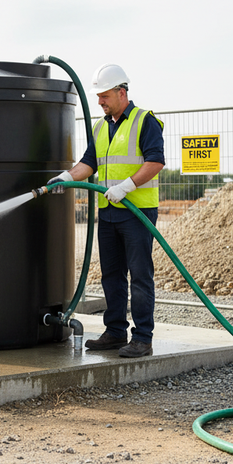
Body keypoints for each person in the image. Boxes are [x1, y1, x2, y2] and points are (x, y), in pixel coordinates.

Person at [47, 64, 165, 357]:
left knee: (139, 276)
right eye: (98, 97)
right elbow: (89, 162)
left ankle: (142, 339)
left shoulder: (144, 121)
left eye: (104, 96)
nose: (99, 102)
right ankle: (115, 332)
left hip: (137, 212)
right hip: (109, 213)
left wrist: (126, 186)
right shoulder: (101, 126)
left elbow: (155, 162)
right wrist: (66, 176)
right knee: (111, 275)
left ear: (121, 92)